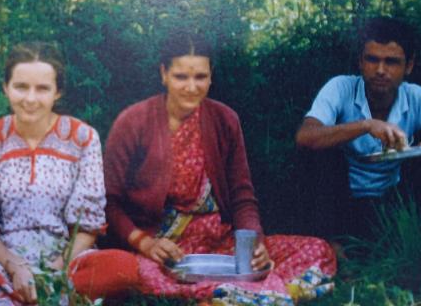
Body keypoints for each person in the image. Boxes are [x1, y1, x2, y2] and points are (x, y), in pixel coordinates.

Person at [103, 30, 336, 304]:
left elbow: (242, 196)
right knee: (129, 271)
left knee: (317, 250)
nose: (191, 87)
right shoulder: (134, 122)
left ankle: (239, 292)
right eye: (181, 77)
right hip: (161, 251)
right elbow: (109, 202)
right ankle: (255, 292)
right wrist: (145, 243)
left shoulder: (225, 119)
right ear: (163, 74)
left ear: (211, 76)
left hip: (220, 247)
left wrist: (254, 243)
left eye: (200, 77)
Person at [0, 41, 139, 305]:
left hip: (64, 262)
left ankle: (13, 299)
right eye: (21, 87)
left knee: (125, 267)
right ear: (6, 87)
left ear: (58, 92)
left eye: (42, 88)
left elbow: (87, 226)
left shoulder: (82, 138)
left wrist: (54, 272)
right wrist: (15, 267)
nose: (30, 99)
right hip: (0, 262)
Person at [295, 16, 421, 241]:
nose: (380, 70)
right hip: (342, 198)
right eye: (372, 59)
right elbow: (305, 136)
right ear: (360, 62)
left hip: (395, 197)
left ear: (408, 66)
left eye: (391, 62)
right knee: (321, 154)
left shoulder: (415, 96)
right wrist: (365, 125)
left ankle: (418, 240)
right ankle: (332, 244)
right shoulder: (341, 87)